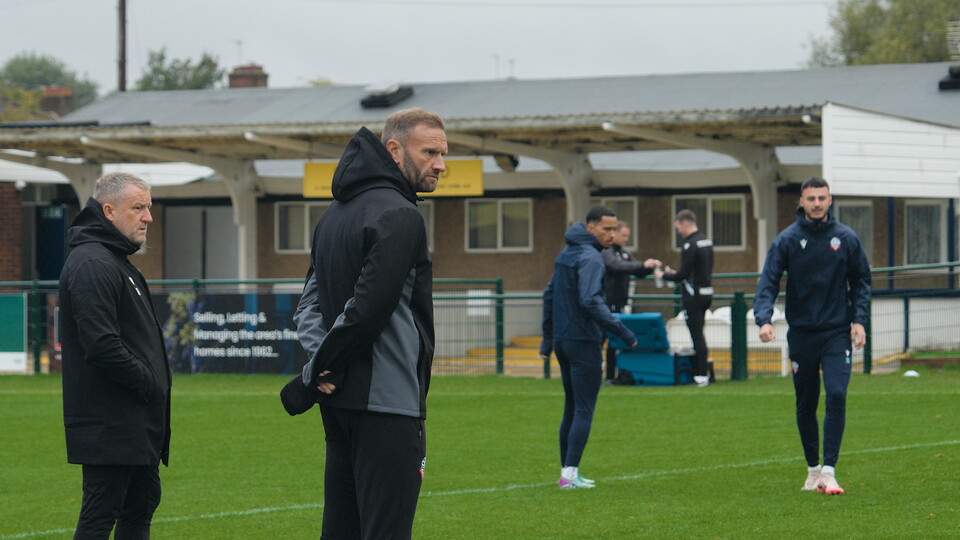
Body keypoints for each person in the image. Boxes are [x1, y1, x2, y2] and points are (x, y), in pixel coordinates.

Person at [280, 107, 444, 539]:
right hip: (387, 406)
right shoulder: (400, 216)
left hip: (340, 403)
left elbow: (308, 307)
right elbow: (368, 310)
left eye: (443, 154)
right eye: (429, 152)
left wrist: (322, 367)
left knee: (341, 530)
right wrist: (314, 374)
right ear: (394, 149)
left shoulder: (333, 214)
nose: (440, 164)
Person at [59, 172, 172, 539]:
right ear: (108, 211)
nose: (148, 217)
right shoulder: (93, 263)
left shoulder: (115, 260)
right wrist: (149, 383)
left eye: (149, 208)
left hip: (134, 422)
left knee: (141, 504)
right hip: (110, 425)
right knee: (100, 514)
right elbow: (101, 345)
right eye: (138, 208)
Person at [754, 177, 870, 496]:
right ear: (802, 202)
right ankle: (813, 470)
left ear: (830, 200)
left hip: (836, 332)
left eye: (822, 197)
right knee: (806, 403)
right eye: (811, 198)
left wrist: (858, 321)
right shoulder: (787, 240)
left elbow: (861, 282)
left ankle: (830, 471)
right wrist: (764, 319)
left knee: (836, 394)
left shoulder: (846, 238)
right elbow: (768, 282)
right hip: (802, 333)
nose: (817, 203)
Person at [540, 206, 638, 489]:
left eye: (614, 228)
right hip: (583, 341)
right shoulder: (591, 257)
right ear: (590, 228)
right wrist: (622, 330)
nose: (612, 234)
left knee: (571, 406)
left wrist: (548, 338)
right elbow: (590, 301)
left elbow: (548, 295)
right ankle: (569, 475)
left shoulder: (565, 254)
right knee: (583, 408)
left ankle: (567, 471)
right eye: (606, 229)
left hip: (563, 340)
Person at [654, 209, 714, 387]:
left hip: (693, 296)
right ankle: (702, 372)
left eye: (678, 227)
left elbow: (683, 274)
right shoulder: (706, 241)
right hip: (706, 292)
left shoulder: (690, 245)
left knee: (696, 334)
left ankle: (701, 375)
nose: (678, 231)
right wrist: (679, 274)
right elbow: (694, 271)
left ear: (685, 223)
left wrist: (663, 276)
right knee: (700, 333)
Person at [601, 221, 661, 383]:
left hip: (619, 304)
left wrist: (650, 267)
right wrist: (642, 265)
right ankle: (591, 374)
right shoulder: (607, 252)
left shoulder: (624, 254)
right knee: (599, 340)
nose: (626, 239)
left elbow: (636, 269)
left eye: (628, 236)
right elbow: (616, 266)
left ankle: (612, 376)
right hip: (605, 304)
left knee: (615, 342)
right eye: (624, 235)